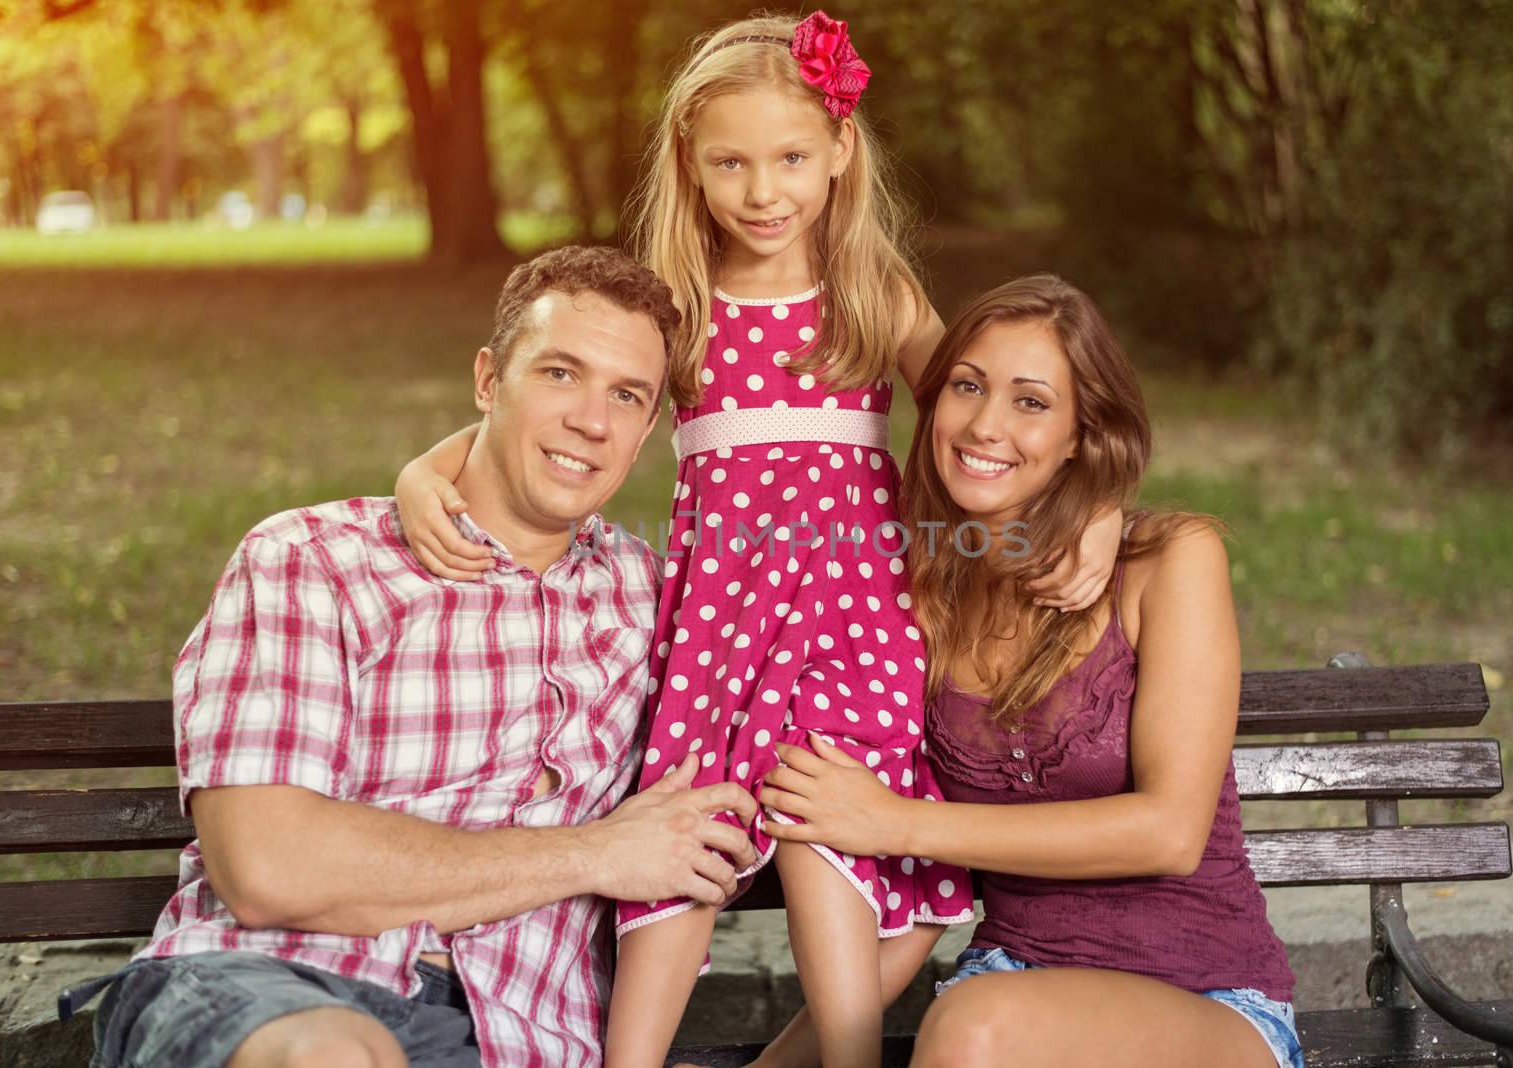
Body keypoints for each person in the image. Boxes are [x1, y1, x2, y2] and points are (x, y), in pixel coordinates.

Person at [394, 13, 1123, 1068]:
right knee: (690, 810)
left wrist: (1095, 503)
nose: (762, 190)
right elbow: (557, 407)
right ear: (689, 165)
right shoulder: (678, 305)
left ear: (838, 153)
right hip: (722, 614)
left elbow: (988, 423)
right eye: (730, 162)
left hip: (858, 609)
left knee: (827, 805)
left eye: (789, 158)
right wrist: (429, 469)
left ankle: (843, 1056)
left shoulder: (873, 294)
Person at [59, 245, 761, 1068]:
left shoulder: (660, 604)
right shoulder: (312, 558)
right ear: (487, 380)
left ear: (649, 430)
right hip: (278, 985)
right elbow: (266, 864)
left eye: (627, 395)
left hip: (521, 1039)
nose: (592, 421)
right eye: (560, 374)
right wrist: (599, 852)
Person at [759, 275, 1305, 1068]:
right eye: (967, 387)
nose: (985, 424)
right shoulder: (916, 594)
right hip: (1009, 987)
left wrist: (893, 821)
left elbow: (1170, 831)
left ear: (1085, 430)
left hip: (1209, 1000)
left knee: (977, 1029)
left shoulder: (1169, 563)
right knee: (978, 1024)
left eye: (1033, 402)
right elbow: (909, 895)